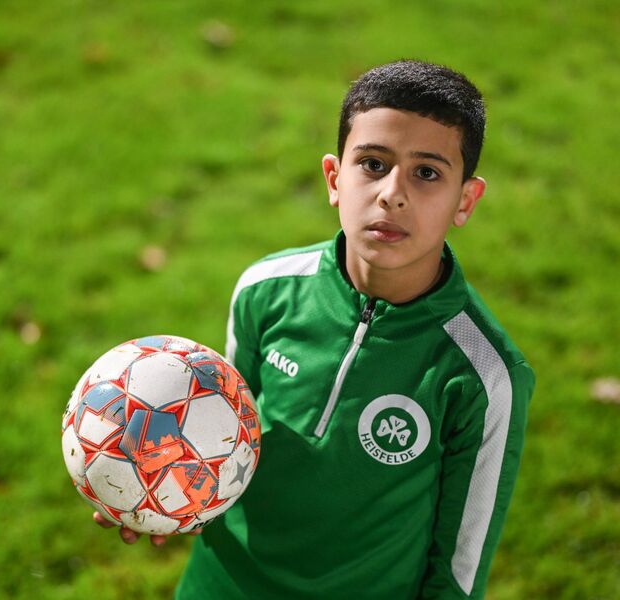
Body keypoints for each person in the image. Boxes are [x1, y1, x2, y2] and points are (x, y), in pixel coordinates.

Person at [95, 59, 535, 600]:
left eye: (427, 173)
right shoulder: (265, 291)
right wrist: (152, 490)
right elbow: (224, 433)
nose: (392, 193)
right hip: (221, 585)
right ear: (334, 178)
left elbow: (461, 568)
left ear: (464, 200)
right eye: (373, 163)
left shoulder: (484, 374)